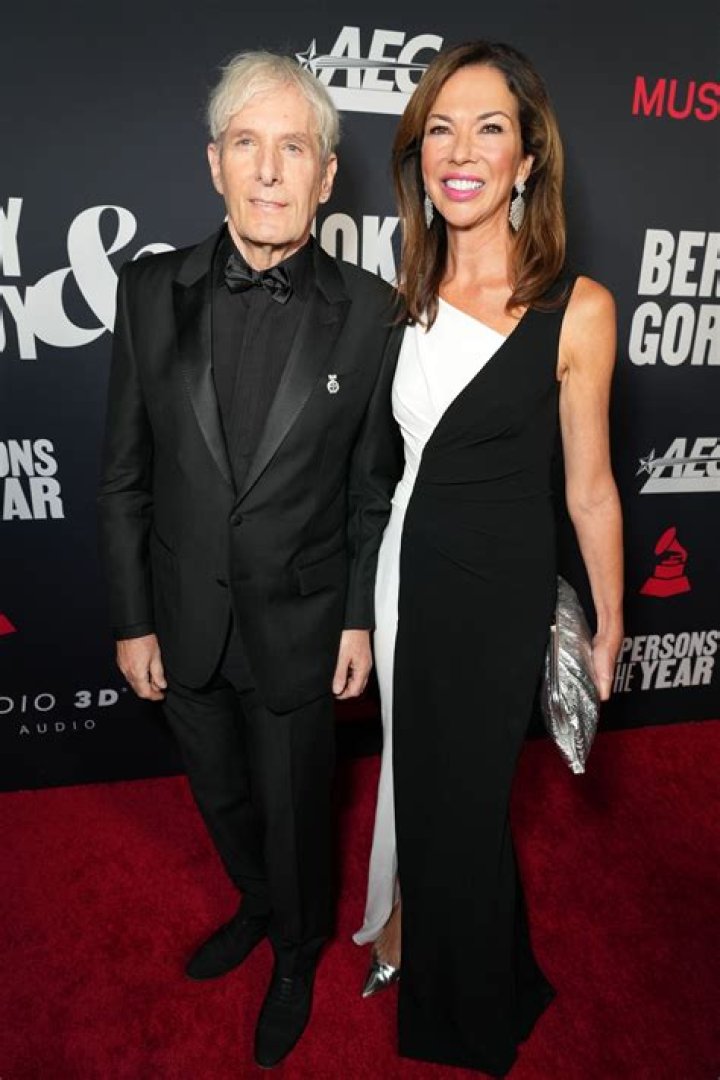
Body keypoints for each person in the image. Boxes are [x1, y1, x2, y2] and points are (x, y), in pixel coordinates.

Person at [97, 51, 403, 1069]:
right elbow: (124, 475)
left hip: (302, 625)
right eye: (246, 145)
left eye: (294, 149)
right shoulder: (147, 291)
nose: (269, 171)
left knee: (297, 811)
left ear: (326, 175)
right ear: (214, 164)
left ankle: (297, 949)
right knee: (222, 799)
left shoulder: (372, 312)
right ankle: (258, 903)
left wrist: (355, 615)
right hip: (183, 616)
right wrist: (134, 619)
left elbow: (369, 489)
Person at [353, 40, 623, 1076]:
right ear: (419, 154)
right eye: (441, 129)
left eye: (490, 128)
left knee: (467, 798)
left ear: (527, 159)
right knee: (416, 776)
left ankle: (464, 1002)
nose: (461, 151)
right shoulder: (403, 291)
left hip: (499, 592)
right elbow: (378, 467)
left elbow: (589, 488)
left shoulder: (577, 307)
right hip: (406, 575)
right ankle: (405, 927)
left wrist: (611, 621)